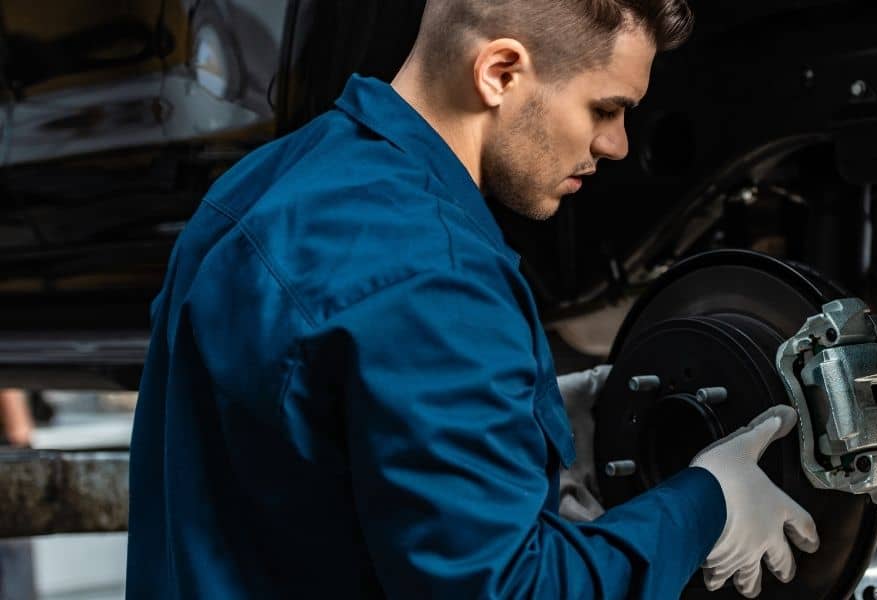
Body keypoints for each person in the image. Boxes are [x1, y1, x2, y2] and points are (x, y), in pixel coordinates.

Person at [126, 1, 819, 598]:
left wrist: (526, 422)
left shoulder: (258, 186)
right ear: (500, 72)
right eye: (604, 108)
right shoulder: (436, 276)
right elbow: (515, 588)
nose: (615, 144)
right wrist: (708, 504)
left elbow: (295, 457)